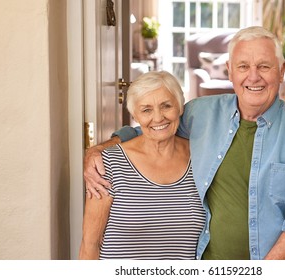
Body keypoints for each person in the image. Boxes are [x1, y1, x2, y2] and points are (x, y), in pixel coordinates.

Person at [83, 26, 285, 260]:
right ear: (230, 71)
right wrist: (100, 149)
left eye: (264, 66)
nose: (253, 76)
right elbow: (157, 126)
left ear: (281, 71)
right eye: (243, 66)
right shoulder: (202, 113)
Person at [79, 71, 206, 259]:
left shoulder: (203, 158)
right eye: (146, 110)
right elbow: (90, 244)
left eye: (166, 106)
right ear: (135, 115)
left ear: (180, 107)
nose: (158, 118)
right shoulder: (109, 164)